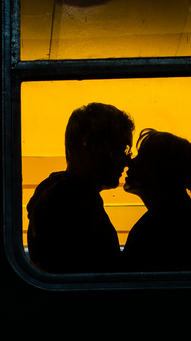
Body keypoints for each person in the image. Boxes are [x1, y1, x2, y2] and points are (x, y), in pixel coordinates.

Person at [26, 103, 135, 273]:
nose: (127, 160)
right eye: (122, 148)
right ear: (88, 143)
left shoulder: (59, 195)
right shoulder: (75, 199)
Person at [119, 129, 191, 272]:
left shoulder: (160, 226)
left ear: (158, 169)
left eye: (141, 157)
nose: (130, 162)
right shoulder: (181, 220)